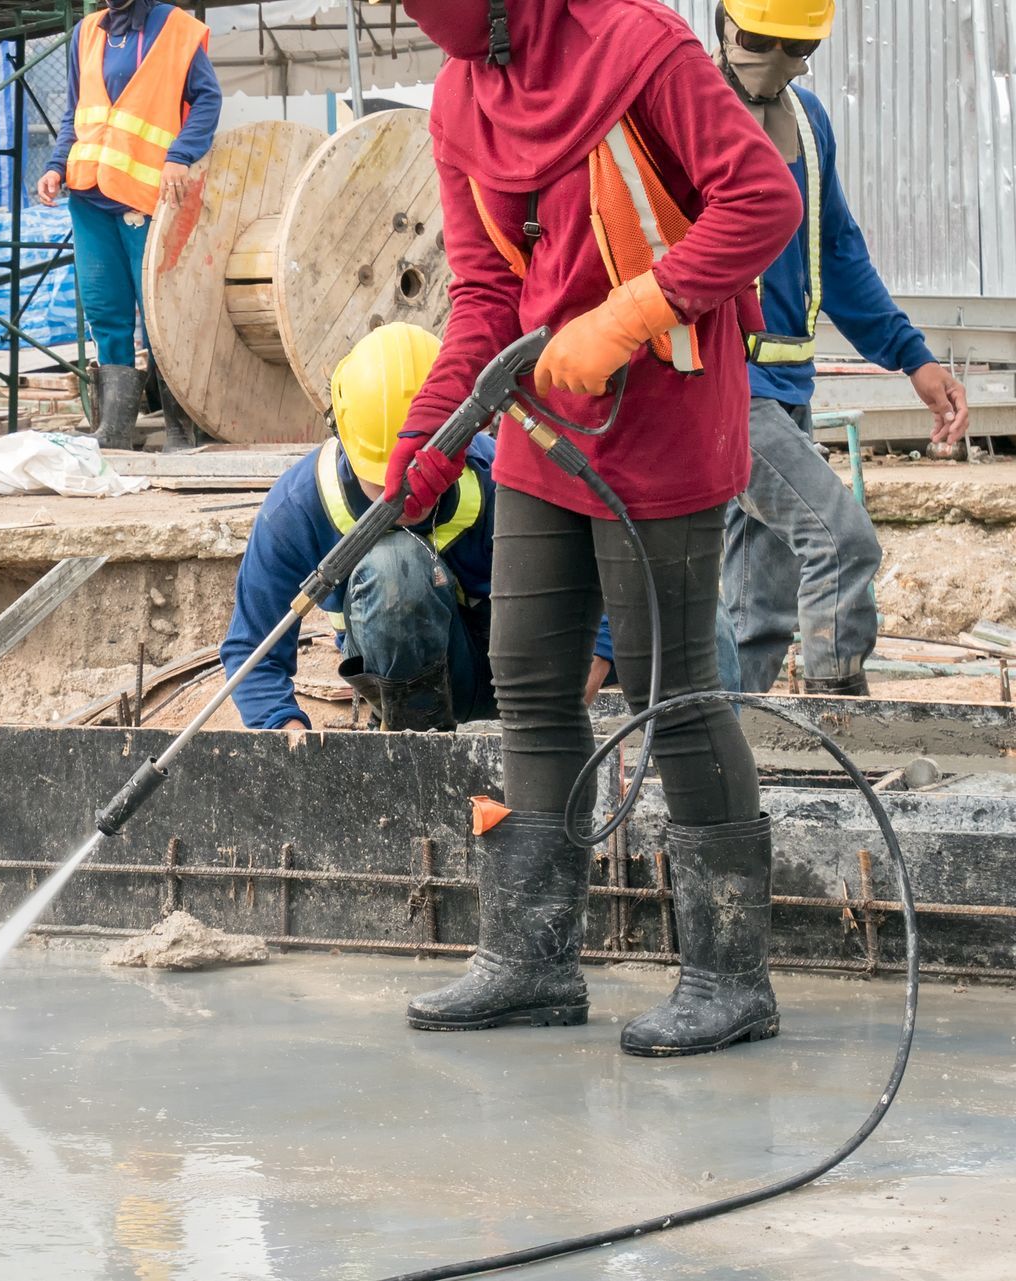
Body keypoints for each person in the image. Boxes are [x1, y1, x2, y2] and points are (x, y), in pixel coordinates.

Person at [392, 0, 802, 1057]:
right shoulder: (461, 92)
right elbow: (487, 294)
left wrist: (627, 317)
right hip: (539, 420)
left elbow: (763, 201)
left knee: (669, 691)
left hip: (661, 412)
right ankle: (533, 962)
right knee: (530, 677)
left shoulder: (640, 48)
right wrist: (432, 432)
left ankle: (728, 975)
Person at [712, 0, 970, 697]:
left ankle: (733, 750)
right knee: (840, 538)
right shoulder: (690, 114)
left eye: (795, 50)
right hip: (725, 390)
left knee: (756, 616)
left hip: (788, 390)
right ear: (725, 23)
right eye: (761, 42)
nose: (778, 63)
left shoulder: (807, 121)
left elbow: (839, 250)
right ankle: (839, 725)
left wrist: (911, 355)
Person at [221, 324, 497, 733]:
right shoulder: (298, 508)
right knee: (395, 569)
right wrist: (287, 734)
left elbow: (589, 579)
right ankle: (415, 745)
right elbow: (253, 649)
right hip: (403, 691)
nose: (406, 498)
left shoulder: (496, 476)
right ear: (345, 441)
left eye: (423, 480)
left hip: (513, 677)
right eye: (383, 480)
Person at [37, 0, 221, 452]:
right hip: (88, 194)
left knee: (157, 314)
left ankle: (182, 429)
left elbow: (207, 99)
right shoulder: (87, 32)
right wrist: (57, 164)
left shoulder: (176, 29)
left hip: (145, 198)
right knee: (106, 311)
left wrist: (180, 155)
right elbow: (76, 111)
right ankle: (116, 430)